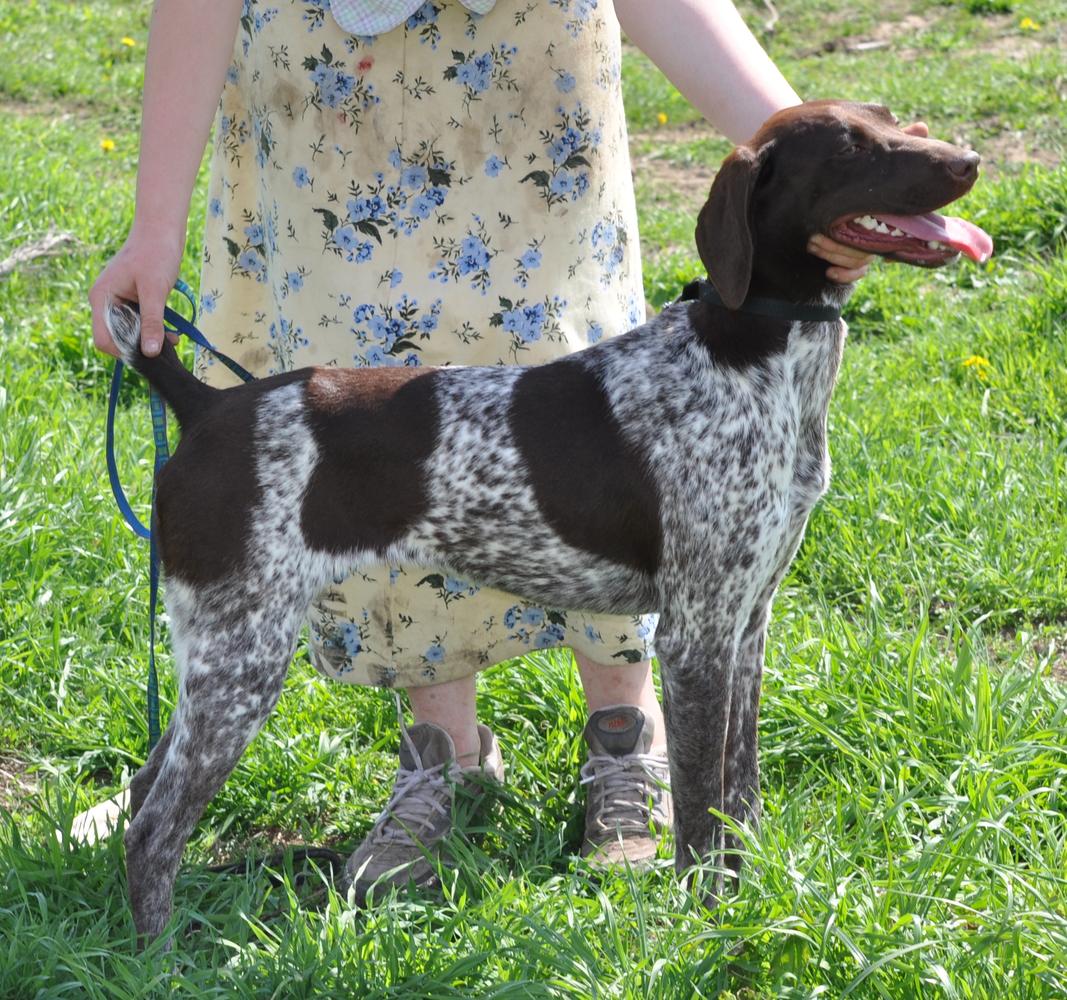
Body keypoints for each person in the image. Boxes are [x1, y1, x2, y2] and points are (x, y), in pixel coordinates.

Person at [89, 0, 882, 901]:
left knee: (618, 461)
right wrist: (153, 223)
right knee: (370, 471)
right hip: (326, 119)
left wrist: (820, 165)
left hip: (530, 117)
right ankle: (440, 760)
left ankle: (628, 741)